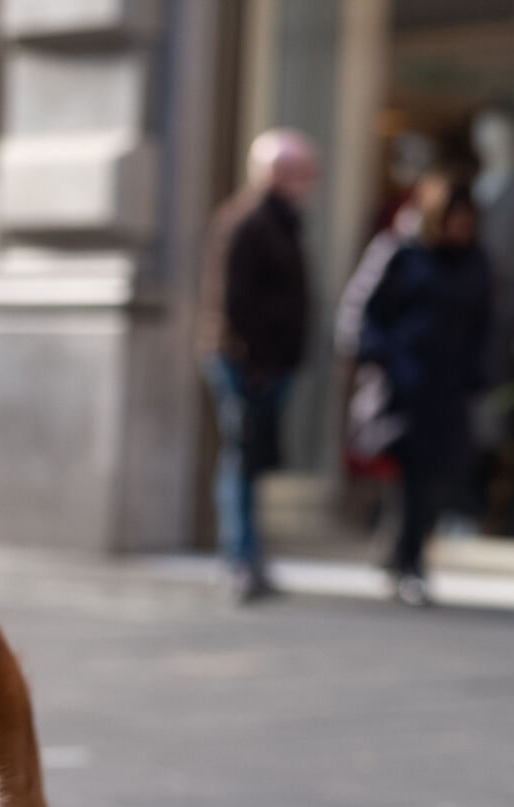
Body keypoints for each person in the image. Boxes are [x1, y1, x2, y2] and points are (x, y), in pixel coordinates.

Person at [358, 173, 492, 606]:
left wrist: (479, 373)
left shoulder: (475, 263)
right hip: (406, 382)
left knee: (433, 478)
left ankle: (401, 553)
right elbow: (365, 312)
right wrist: (384, 360)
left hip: (449, 387)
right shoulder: (400, 251)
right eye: (454, 217)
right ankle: (407, 560)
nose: (461, 226)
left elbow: (483, 325)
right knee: (411, 475)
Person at [197, 127, 317, 602]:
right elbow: (234, 301)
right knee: (242, 460)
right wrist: (254, 361)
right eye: (299, 173)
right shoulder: (248, 221)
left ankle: (249, 557)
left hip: (268, 363)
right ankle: (238, 560)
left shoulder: (282, 221)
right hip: (247, 364)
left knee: (251, 461)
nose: (307, 183)